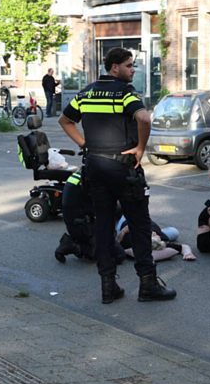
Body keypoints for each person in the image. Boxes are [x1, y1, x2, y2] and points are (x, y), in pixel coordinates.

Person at [58, 47, 176, 304]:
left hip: (95, 167)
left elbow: (65, 120)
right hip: (123, 169)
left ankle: (108, 286)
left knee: (103, 224)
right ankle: (148, 285)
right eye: (129, 65)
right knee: (139, 224)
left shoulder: (86, 92)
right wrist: (141, 149)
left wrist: (85, 145)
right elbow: (144, 119)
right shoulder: (125, 92)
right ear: (115, 67)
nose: (133, 69)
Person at [55, 167, 125, 264]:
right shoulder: (91, 179)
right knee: (118, 256)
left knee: (117, 209)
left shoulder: (88, 171)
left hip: (79, 219)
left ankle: (95, 240)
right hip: (80, 226)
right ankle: (73, 246)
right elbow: (98, 209)